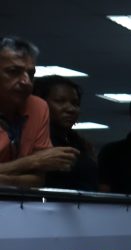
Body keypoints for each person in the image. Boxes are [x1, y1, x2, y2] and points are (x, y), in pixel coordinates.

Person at [0, 36, 78, 189]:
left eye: (31, 74)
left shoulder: (38, 107)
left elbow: (37, 180)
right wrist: (32, 161)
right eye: (13, 72)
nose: (26, 81)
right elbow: (38, 164)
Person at [33, 76, 98, 191]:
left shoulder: (80, 143)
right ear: (40, 103)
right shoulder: (31, 139)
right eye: (60, 101)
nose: (70, 109)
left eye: (75, 103)